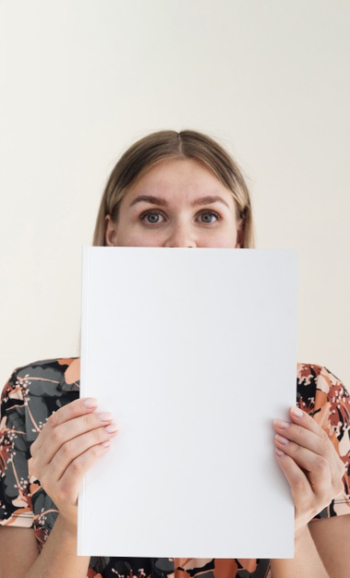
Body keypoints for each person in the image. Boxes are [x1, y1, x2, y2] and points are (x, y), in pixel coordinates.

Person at [0, 130, 349, 578]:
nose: (182, 242)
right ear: (112, 234)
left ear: (237, 236)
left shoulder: (314, 398)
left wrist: (291, 528)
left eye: (207, 216)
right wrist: (75, 527)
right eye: (152, 217)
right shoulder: (34, 396)